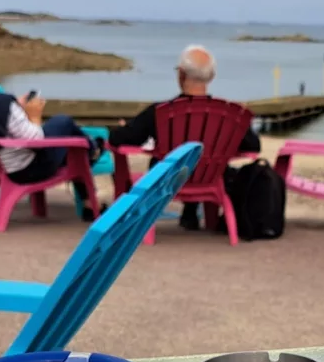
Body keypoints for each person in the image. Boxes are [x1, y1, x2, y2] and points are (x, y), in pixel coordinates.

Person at [109, 45, 261, 230]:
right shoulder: (228, 115)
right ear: (212, 76)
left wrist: (120, 128)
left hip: (167, 179)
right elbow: (253, 146)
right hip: (211, 178)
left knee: (168, 161)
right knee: (202, 159)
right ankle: (191, 212)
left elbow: (119, 139)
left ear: (181, 74)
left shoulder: (161, 112)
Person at [0, 39, 101, 221]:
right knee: (63, 122)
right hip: (25, 169)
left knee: (74, 146)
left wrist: (16, 109)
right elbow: (35, 141)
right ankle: (94, 150)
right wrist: (33, 115)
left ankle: (90, 168)